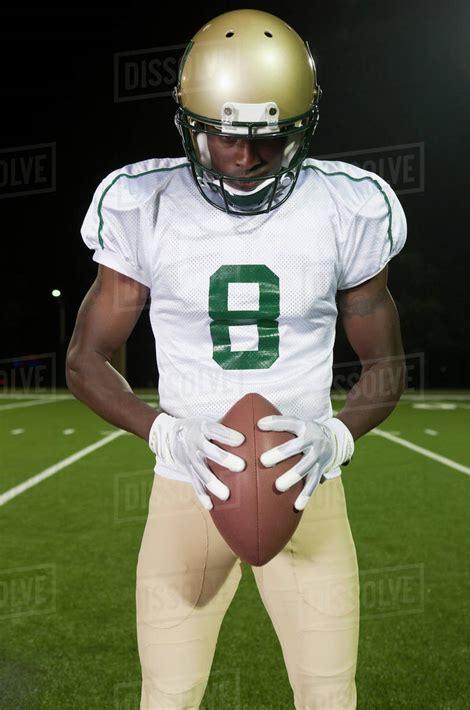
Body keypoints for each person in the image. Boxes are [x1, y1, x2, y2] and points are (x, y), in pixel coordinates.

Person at [66, 9, 407, 709]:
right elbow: (85, 358)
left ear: (302, 126)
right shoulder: (145, 202)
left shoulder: (345, 206)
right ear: (190, 124)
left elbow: (387, 364)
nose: (247, 158)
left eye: (269, 138)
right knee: (167, 695)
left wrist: (336, 436)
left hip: (307, 488)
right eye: (228, 136)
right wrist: (164, 431)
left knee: (328, 695)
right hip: (183, 484)